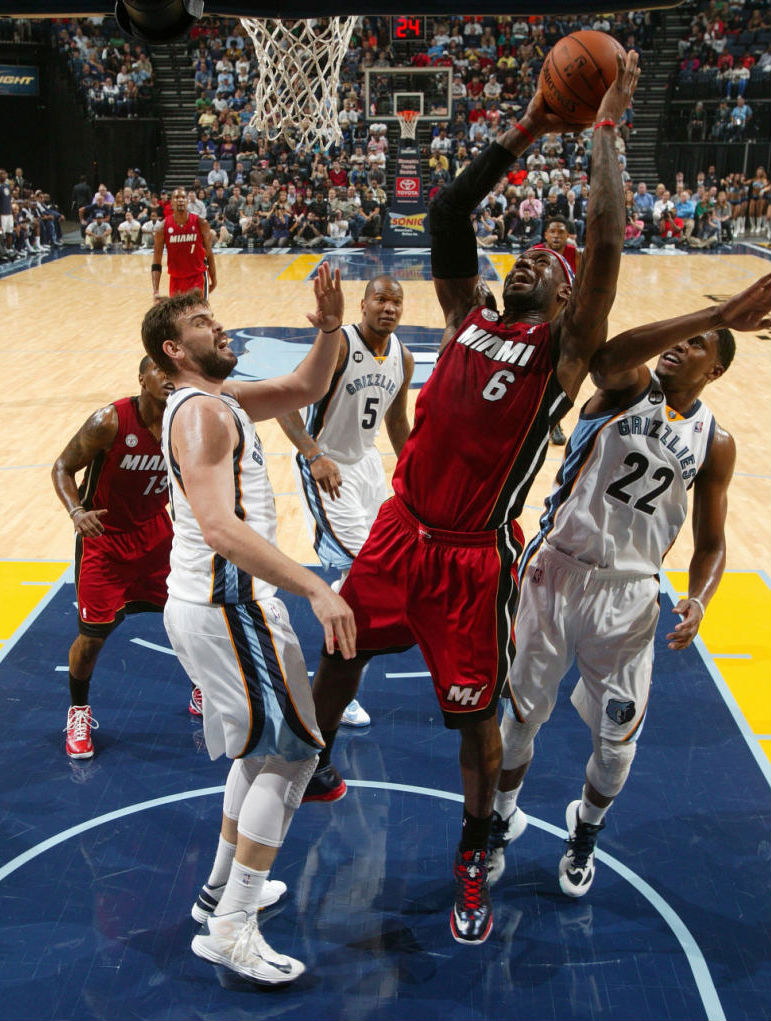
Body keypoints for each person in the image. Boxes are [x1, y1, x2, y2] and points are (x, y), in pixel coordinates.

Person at [305, 52, 640, 946]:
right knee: (336, 655)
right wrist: (530, 125)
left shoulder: (559, 358)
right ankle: (311, 756)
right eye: (525, 254)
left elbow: (604, 243)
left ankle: (472, 850)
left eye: (547, 263)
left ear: (569, 299)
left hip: (470, 557)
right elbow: (450, 211)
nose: (530, 259)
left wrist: (604, 127)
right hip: (396, 531)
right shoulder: (466, 316)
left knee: (477, 722)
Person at [487, 273, 771, 896]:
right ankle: (500, 820)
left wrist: (700, 598)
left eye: (698, 344)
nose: (681, 345)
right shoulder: (628, 387)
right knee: (520, 719)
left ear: (716, 371)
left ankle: (584, 829)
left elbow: (714, 542)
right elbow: (608, 357)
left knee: (617, 745)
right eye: (681, 335)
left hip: (632, 596)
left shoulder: (715, 442)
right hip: (555, 571)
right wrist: (716, 310)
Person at [140, 265, 356, 984]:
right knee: (293, 754)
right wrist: (314, 587)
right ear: (174, 350)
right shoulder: (200, 412)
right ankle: (232, 925)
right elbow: (218, 526)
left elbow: (303, 389)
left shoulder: (219, 398)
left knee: (263, 753)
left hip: (228, 606)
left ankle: (219, 891)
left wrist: (328, 329)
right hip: (226, 605)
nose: (218, 325)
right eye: (201, 322)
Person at [278, 275, 415, 731]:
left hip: (368, 466)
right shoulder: (339, 345)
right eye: (381, 299)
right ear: (363, 304)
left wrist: (415, 470)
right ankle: (332, 684)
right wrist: (314, 455)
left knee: (365, 573)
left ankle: (335, 680)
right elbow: (284, 402)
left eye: (396, 301)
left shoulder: (403, 357)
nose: (389, 308)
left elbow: (397, 419)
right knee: (368, 570)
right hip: (328, 466)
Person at [52, 357, 177, 759]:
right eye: (160, 371)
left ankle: (201, 689)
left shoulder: (186, 421)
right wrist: (76, 511)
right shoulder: (109, 421)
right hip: (105, 542)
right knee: (91, 639)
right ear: (142, 378)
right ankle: (79, 711)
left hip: (158, 537)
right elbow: (62, 467)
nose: (168, 380)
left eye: (174, 373)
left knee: (190, 616)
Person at [152, 186, 216, 301]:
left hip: (197, 277)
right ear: (171, 202)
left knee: (199, 316)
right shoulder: (162, 228)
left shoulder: (200, 222)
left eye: (183, 197)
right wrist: (155, 290)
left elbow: (209, 253)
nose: (180, 200)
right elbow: (157, 260)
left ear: (187, 201)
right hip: (176, 279)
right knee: (177, 318)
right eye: (176, 197)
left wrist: (214, 280)